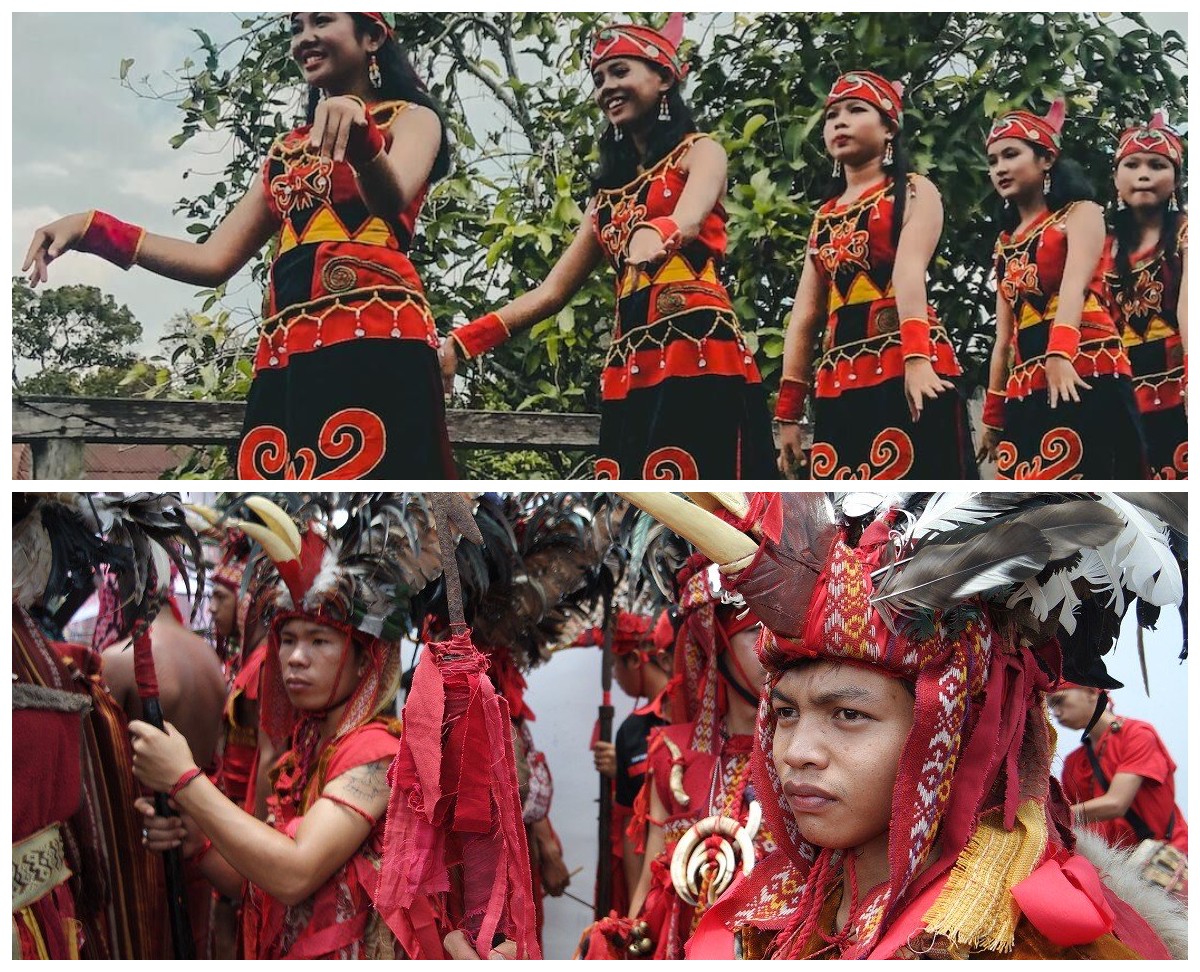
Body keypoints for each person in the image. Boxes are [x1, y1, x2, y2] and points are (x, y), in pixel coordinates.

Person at [619, 491, 1186, 960]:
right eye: (787, 712)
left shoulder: (1032, 944)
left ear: (951, 732)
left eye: (848, 715)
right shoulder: (784, 910)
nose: (796, 752)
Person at [23, 13, 454, 479]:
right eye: (295, 27)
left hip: (381, 342)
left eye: (322, 22)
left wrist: (363, 137)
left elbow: (392, 198)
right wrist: (94, 229)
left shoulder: (413, 119)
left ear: (371, 37)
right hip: (288, 355)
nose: (305, 38)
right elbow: (212, 260)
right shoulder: (286, 150)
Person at [441, 14, 775, 480]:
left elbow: (691, 218)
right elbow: (551, 292)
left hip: (697, 349)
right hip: (631, 362)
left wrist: (657, 233)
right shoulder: (605, 200)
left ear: (663, 78)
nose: (606, 88)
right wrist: (463, 340)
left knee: (708, 491)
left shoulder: (700, 152)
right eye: (599, 79)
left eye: (620, 72)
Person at [132, 497, 450, 959]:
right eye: (288, 640)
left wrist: (184, 781)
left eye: (319, 641)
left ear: (366, 659)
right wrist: (194, 838)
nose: (295, 658)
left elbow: (293, 873)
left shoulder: (378, 752)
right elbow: (252, 881)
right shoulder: (302, 755)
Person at [774, 71, 975, 480]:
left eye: (856, 110)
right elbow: (806, 315)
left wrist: (917, 360)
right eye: (832, 116)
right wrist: (789, 413)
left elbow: (908, 270)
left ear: (889, 129)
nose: (839, 122)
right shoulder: (825, 216)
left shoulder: (915, 190)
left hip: (910, 367)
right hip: (839, 381)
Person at [979, 99, 1146, 479]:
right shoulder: (1004, 243)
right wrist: (993, 415)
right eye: (993, 161)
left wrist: (1061, 354)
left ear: (1046, 160)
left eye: (1010, 154)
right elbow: (1003, 337)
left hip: (1085, 363)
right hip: (1027, 380)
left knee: (1092, 478)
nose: (1000, 168)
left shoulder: (1081, 213)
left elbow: (1074, 286)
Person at [1104, 112, 1188, 479]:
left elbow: (1191, 311)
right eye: (1132, 164)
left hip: (1179, 388)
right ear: (1116, 178)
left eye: (1157, 165)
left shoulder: (1187, 233)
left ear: (1176, 180)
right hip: (1120, 393)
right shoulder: (1102, 247)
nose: (1144, 173)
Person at [589, 611, 672, 914]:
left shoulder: (689, 714)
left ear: (635, 660)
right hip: (651, 870)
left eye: (615, 665)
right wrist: (638, 913)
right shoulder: (631, 730)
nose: (614, 675)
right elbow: (630, 827)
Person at [1051, 683, 1188, 856]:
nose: (1055, 712)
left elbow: (1116, 804)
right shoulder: (1073, 762)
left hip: (1166, 860)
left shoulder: (1138, 734)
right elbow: (1072, 825)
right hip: (1111, 868)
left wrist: (1053, 814)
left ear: (1091, 691)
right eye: (1051, 706)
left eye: (1059, 701)